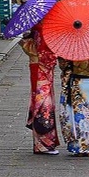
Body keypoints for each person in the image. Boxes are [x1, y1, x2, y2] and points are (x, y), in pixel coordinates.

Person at [58, 51, 89, 156]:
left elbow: (64, 65)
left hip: (78, 82)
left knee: (79, 115)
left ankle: (79, 147)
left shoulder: (72, 47)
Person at [19, 25, 60, 155]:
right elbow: (48, 56)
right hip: (42, 68)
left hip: (36, 67)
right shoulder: (43, 29)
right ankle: (44, 144)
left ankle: (41, 143)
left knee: (40, 102)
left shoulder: (36, 28)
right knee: (43, 105)